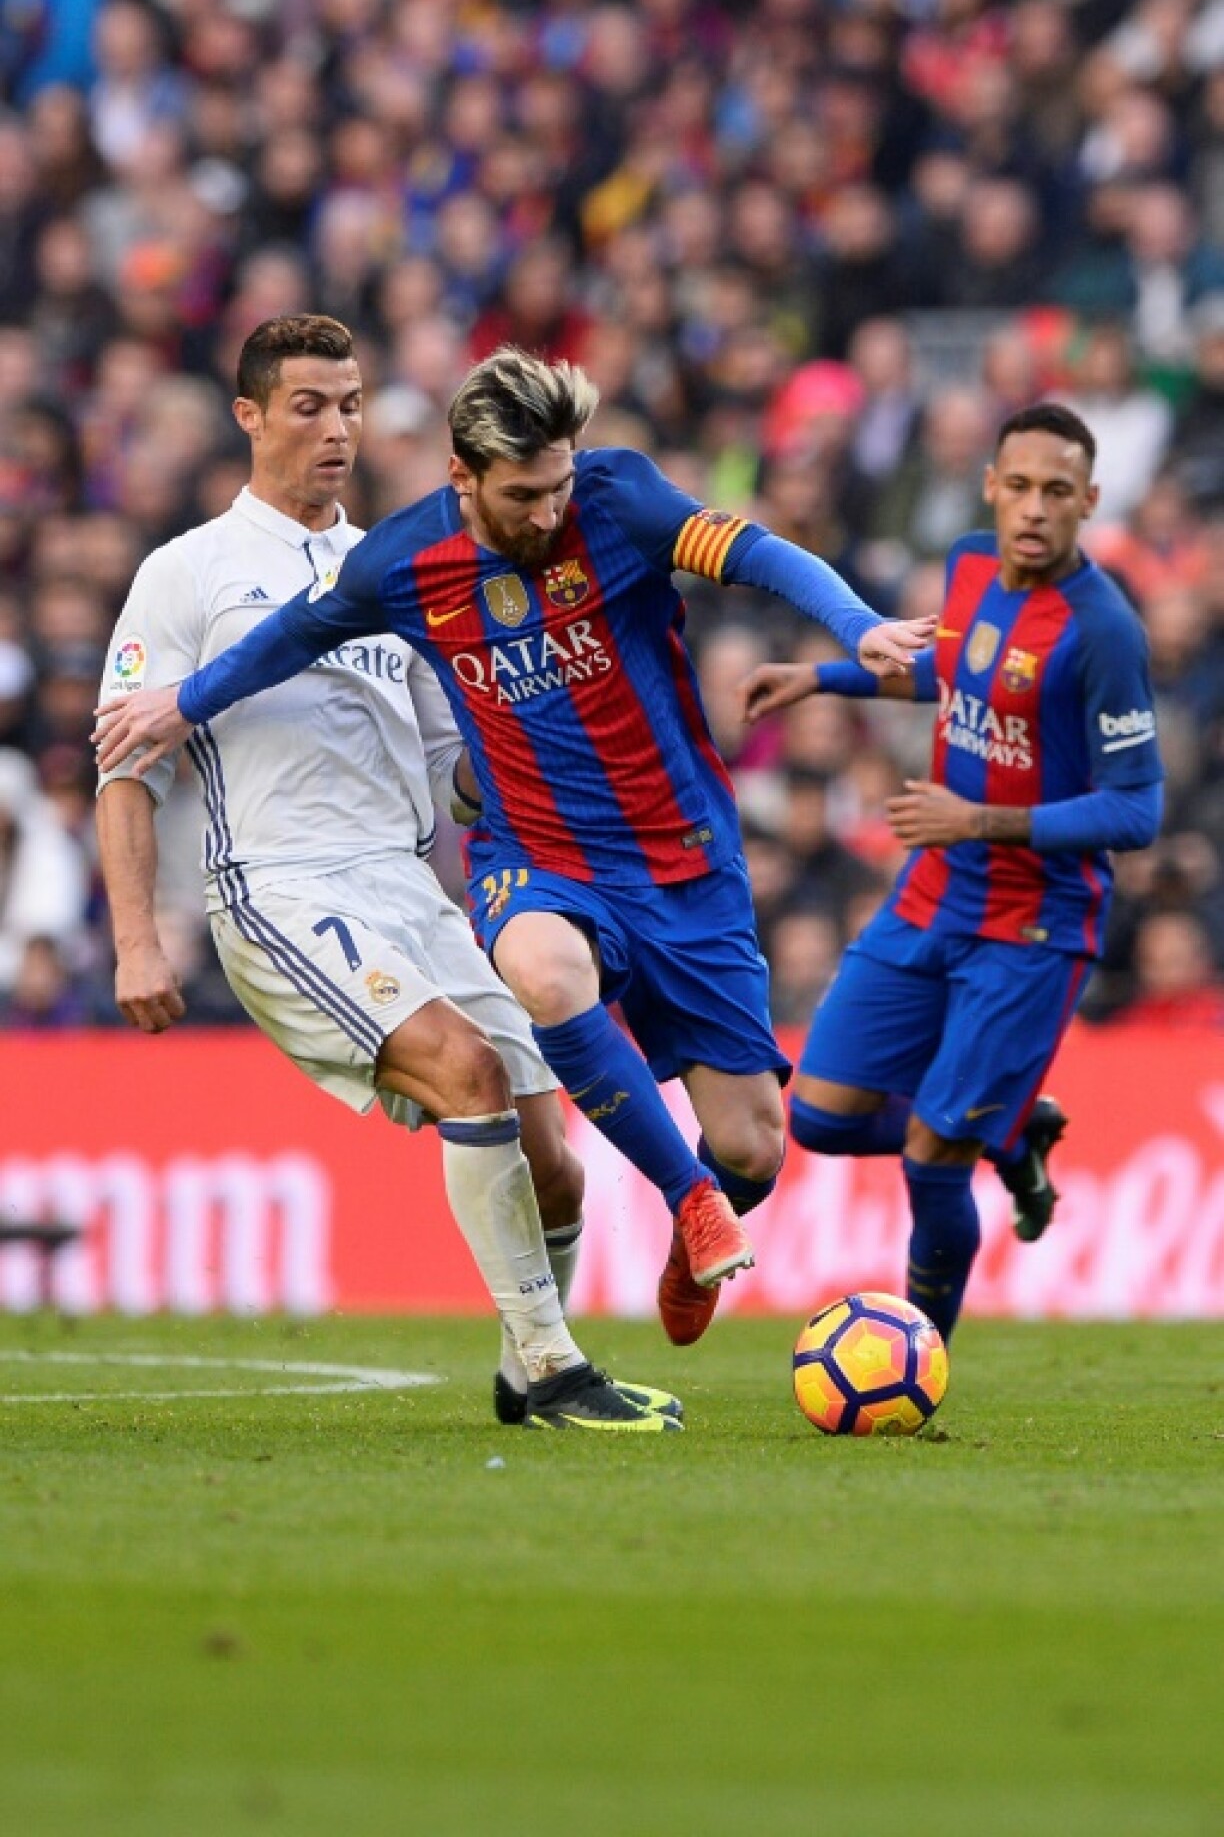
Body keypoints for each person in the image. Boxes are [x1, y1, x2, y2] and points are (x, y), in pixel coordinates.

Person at [93, 344, 934, 1348]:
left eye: (558, 485)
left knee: (755, 1145)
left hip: (683, 863)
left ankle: (707, 1205)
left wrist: (856, 623)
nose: (547, 513)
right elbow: (284, 643)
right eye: (525, 493)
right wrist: (179, 702)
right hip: (537, 854)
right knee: (541, 972)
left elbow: (757, 551)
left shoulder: (620, 500)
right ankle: (688, 1198)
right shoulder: (401, 562)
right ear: (463, 477)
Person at [94, 314, 679, 1434]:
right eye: (309, 406)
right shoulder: (188, 574)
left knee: (557, 1158)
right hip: (280, 887)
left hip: (412, 888)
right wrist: (134, 938)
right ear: (249, 416)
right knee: (466, 1073)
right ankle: (557, 1372)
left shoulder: (389, 572)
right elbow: (127, 763)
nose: (336, 429)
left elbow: (455, 766)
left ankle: (525, 1369)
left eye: (351, 403)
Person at [739, 402, 1164, 1341]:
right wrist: (822, 677)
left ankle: (917, 1360)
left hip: (1034, 927)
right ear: (991, 487)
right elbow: (948, 674)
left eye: (1058, 491)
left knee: (933, 1153)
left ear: (1090, 500)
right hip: (933, 895)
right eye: (1019, 487)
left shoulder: (1104, 632)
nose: (1035, 509)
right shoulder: (972, 565)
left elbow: (1138, 808)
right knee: (820, 1117)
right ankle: (1010, 1132)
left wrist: (979, 819)